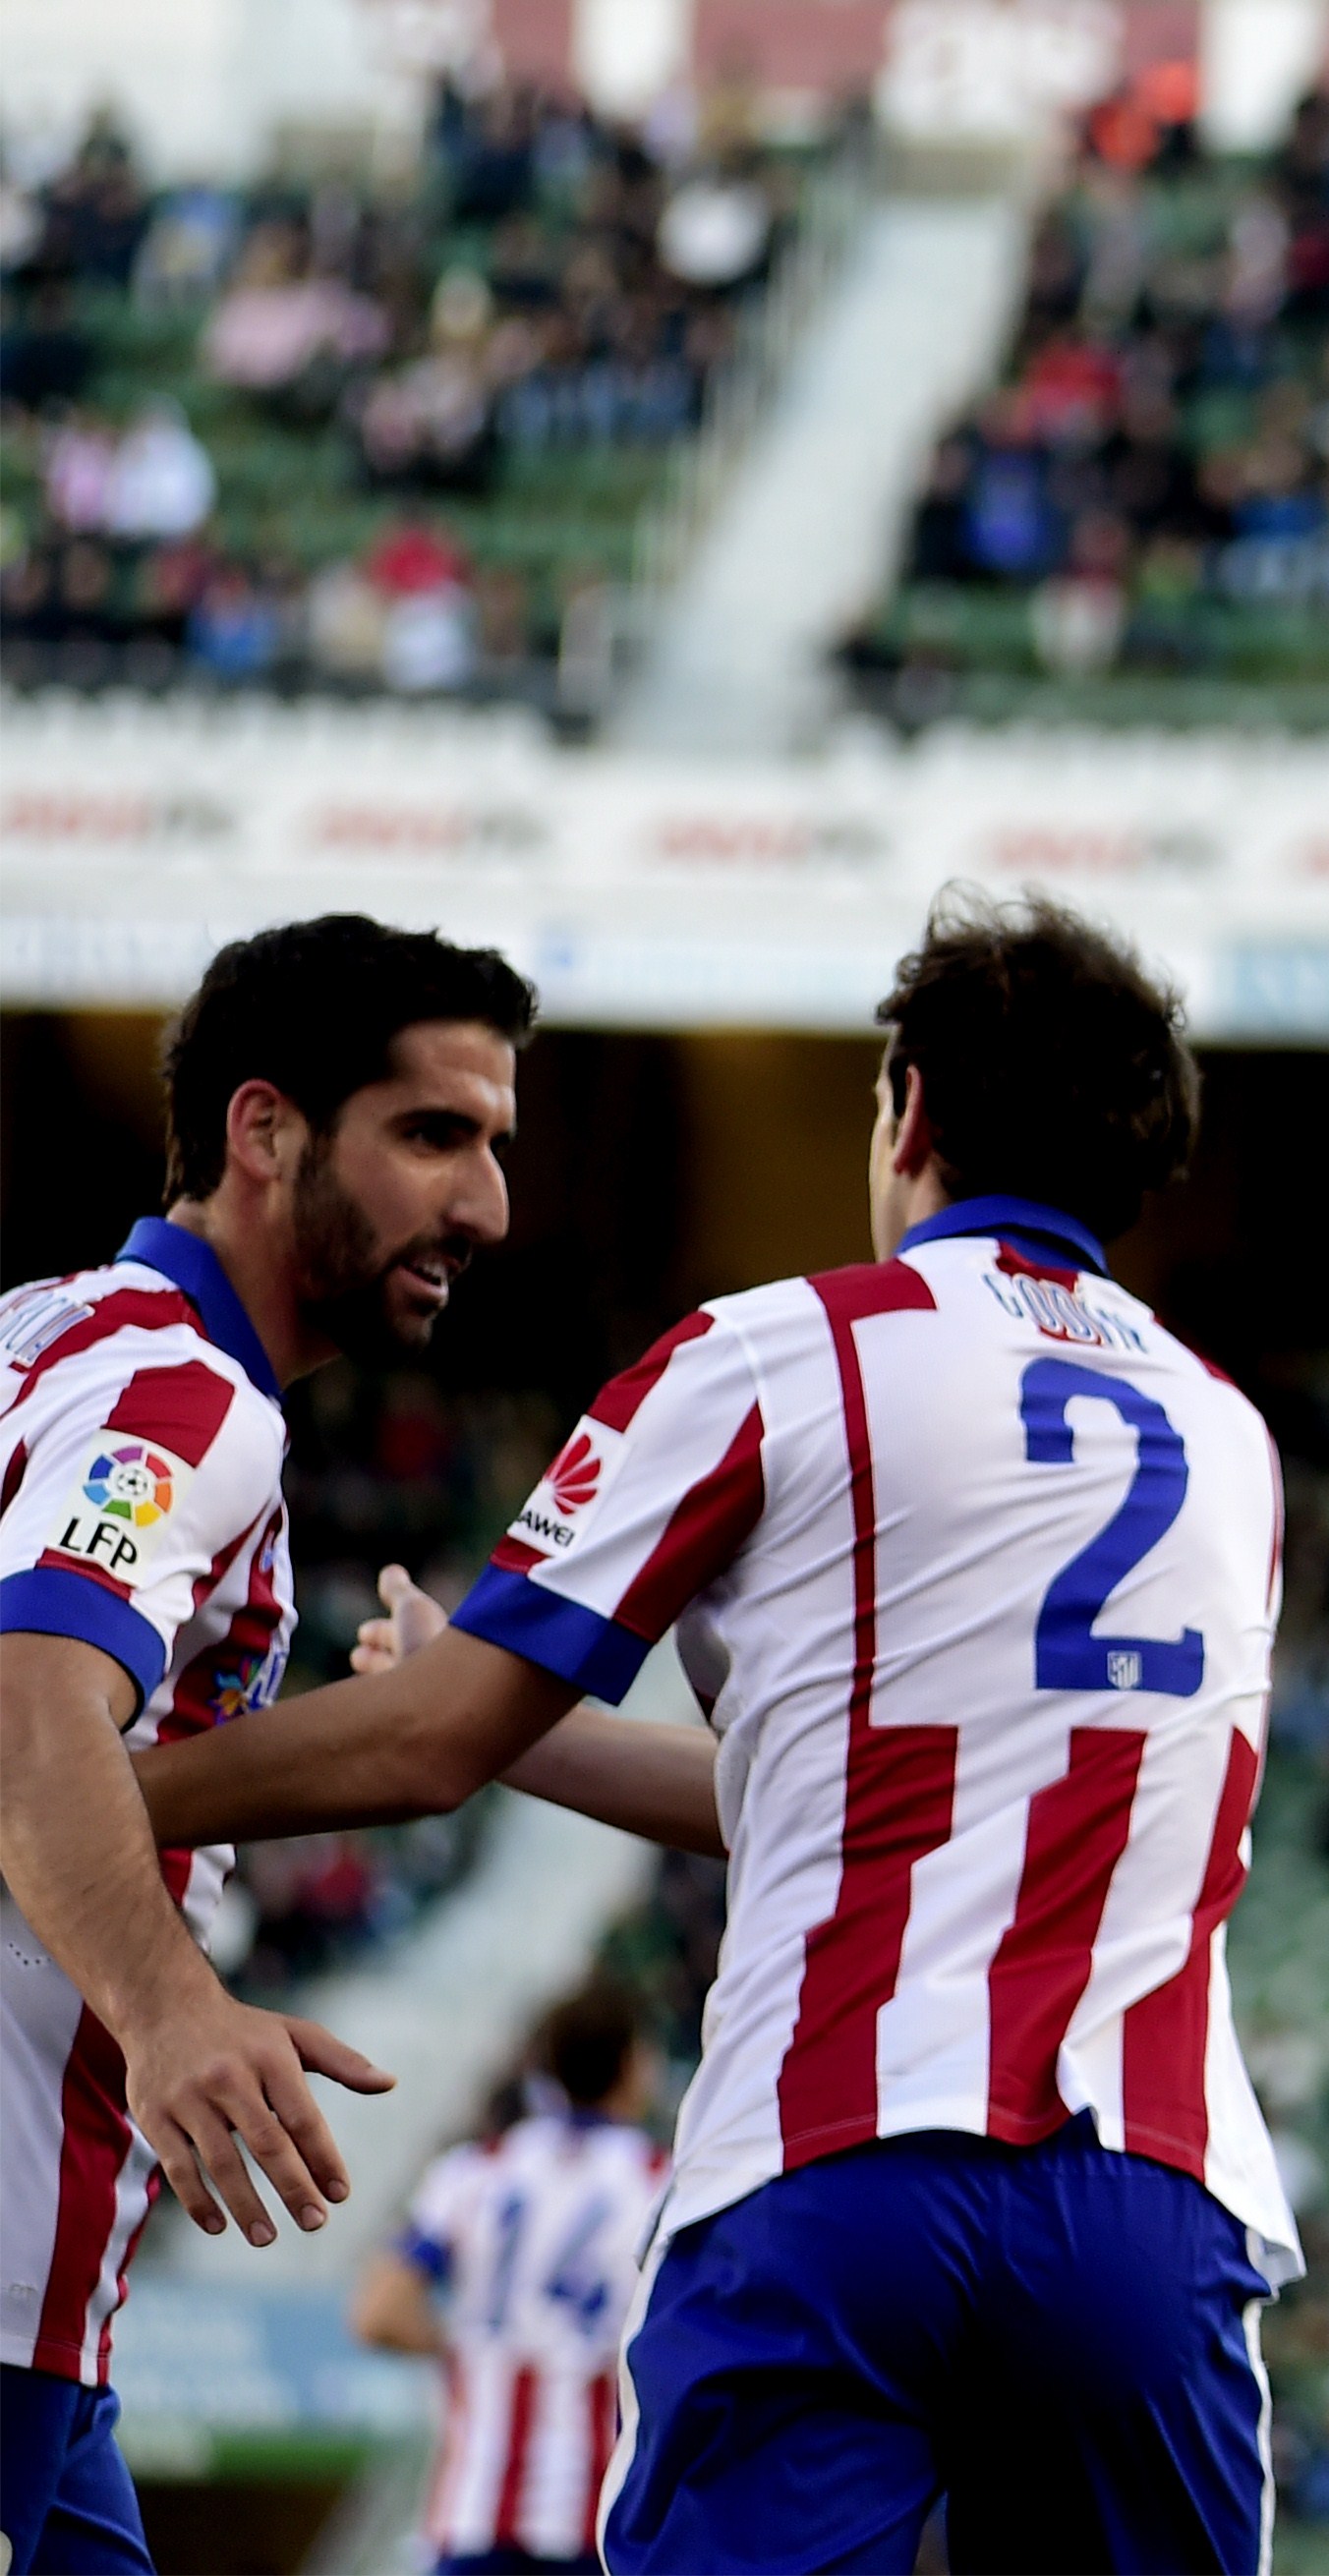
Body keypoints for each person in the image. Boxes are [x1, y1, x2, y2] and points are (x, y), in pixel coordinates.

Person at [131, 891, 1294, 2573]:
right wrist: (530, 1736)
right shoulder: (1232, 1439)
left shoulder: (778, 1348)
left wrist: (98, 1782)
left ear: (909, 1112)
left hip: (834, 2169)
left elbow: (423, 1743)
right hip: (1153, 2193)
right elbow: (845, 1796)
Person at [0, 916, 530, 2576]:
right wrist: (169, 2010)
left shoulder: (52, 1338)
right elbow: (28, 1700)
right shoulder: (185, 1403)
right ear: (265, 1128)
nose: (487, 1205)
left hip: (56, 2285)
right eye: (435, 1135)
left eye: (496, 1146)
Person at [354, 1983, 667, 2576]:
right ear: (631, 2065)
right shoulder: (659, 2182)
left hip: (474, 2507)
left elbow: (379, 2314)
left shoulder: (475, 2169)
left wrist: (473, 2349)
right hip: (592, 2514)